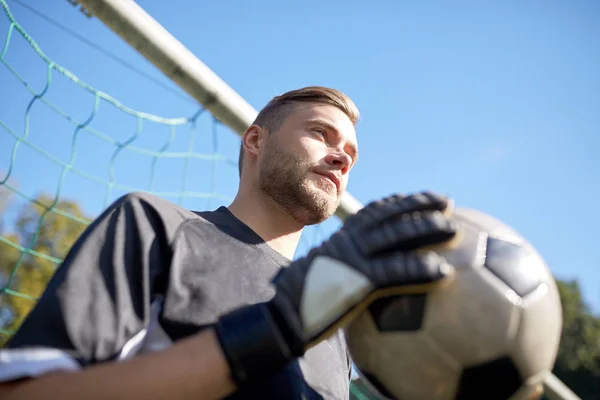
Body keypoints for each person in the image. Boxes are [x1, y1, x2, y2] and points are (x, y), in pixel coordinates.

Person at [0, 86, 457, 399]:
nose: (341, 158)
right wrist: (267, 333)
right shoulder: (155, 225)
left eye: (352, 155)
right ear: (256, 140)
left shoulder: (337, 330)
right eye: (321, 133)